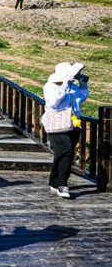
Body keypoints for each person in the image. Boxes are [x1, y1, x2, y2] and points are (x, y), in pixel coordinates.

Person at [42, 62, 89, 199]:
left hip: (74, 124)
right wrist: (64, 85)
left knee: (63, 154)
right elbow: (53, 102)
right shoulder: (50, 86)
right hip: (57, 125)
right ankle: (62, 184)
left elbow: (82, 97)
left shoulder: (72, 87)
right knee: (66, 151)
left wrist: (83, 84)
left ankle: (54, 181)